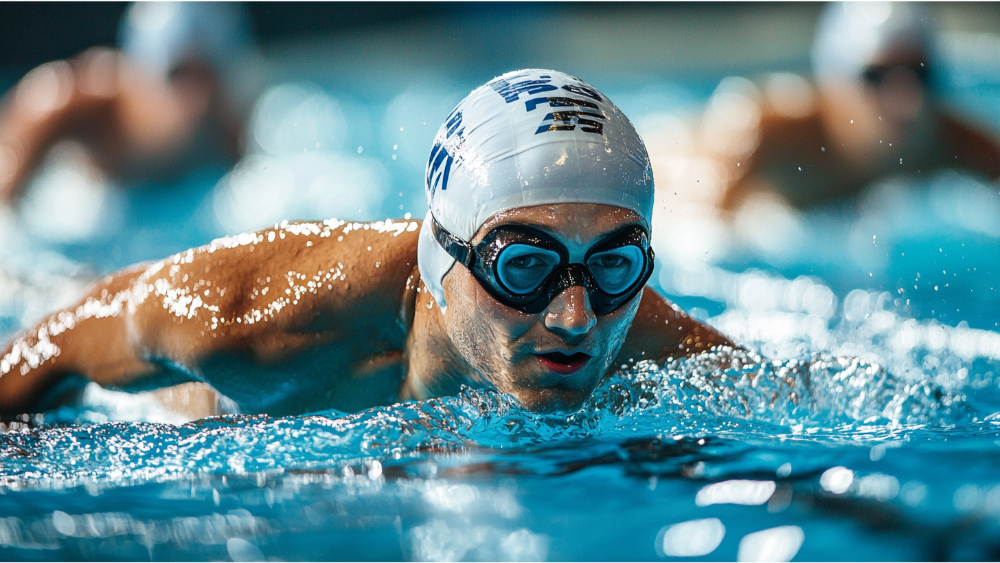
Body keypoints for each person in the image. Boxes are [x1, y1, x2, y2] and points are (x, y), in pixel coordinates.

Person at [0, 69, 733, 417]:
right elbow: (60, 339)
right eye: (525, 264)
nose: (577, 317)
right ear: (443, 256)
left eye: (614, 261)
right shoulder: (244, 315)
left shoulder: (637, 330)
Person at [715, 1, 1000, 213]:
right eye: (876, 76)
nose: (904, 99)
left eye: (919, 72)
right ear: (834, 84)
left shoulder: (955, 142)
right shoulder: (766, 133)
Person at [0, 1, 252, 203]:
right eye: (177, 76)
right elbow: (19, 136)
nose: (197, 100)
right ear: (140, 77)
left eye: (206, 77)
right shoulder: (88, 103)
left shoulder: (226, 122)